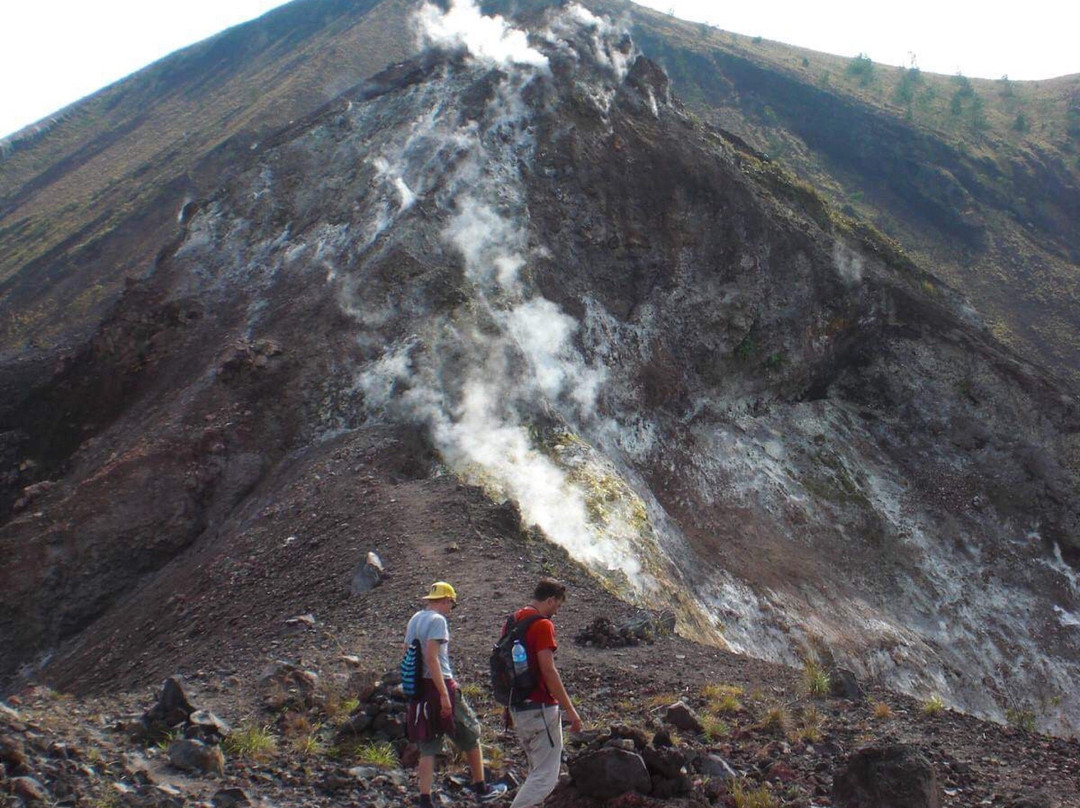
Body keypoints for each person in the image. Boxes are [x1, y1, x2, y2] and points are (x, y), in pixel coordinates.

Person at [404, 581, 507, 807]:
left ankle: (424, 799)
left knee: (428, 745)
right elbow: (432, 657)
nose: (451, 608)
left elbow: (407, 654)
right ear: (446, 600)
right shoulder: (438, 621)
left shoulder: (415, 619)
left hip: (420, 689)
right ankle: (481, 788)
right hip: (439, 687)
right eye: (452, 603)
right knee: (470, 734)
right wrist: (443, 692)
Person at [507, 578, 582, 808]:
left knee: (535, 771)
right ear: (550, 600)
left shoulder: (513, 620)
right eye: (557, 606)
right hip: (540, 708)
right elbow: (548, 671)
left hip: (518, 706)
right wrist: (570, 710)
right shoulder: (542, 625)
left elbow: (505, 667)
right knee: (545, 778)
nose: (556, 612)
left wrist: (507, 707)